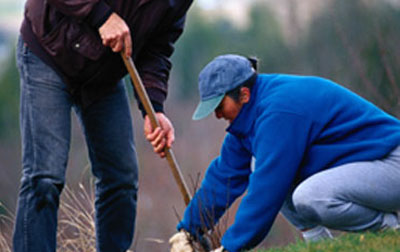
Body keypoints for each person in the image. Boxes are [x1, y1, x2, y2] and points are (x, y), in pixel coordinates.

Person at [168, 54, 400, 252]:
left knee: (310, 195)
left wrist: (231, 247)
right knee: (264, 167)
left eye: (220, 106)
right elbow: (224, 177)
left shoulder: (279, 112)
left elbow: (266, 190)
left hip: (392, 162)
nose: (217, 115)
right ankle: (319, 245)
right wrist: (189, 229)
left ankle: (390, 230)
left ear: (244, 94)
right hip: (371, 166)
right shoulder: (250, 117)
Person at [13, 0, 193, 251]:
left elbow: (157, 50)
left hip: (102, 75)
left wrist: (154, 108)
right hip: (49, 50)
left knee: (121, 178)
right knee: (45, 177)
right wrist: (102, 15)